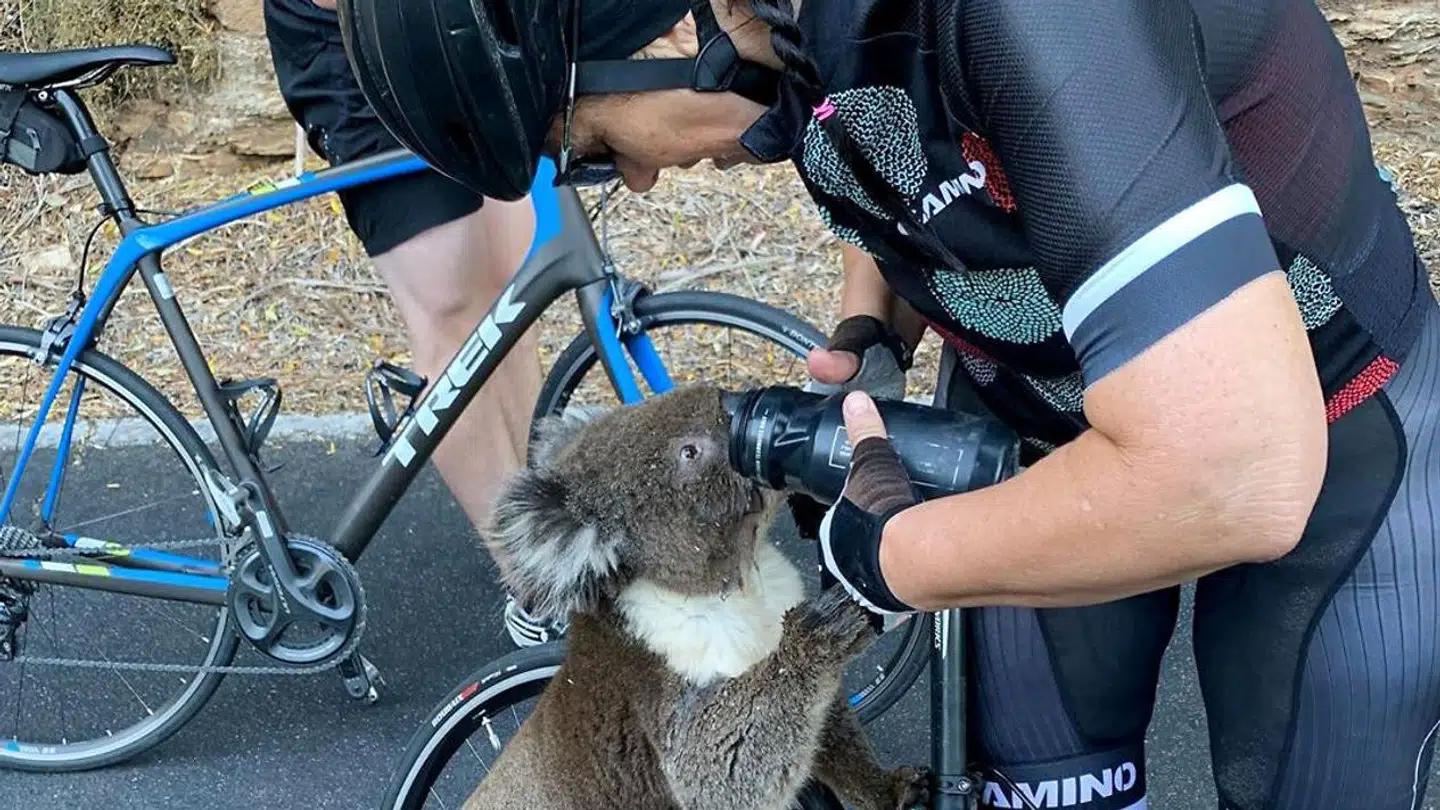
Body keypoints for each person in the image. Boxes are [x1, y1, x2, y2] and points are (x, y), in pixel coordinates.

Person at [339, 0, 1440, 807]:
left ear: (674, 30)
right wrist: (876, 326)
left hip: (1340, 422)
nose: (627, 182)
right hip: (1031, 421)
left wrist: (884, 562)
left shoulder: (1037, 17)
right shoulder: (791, 30)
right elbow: (908, 146)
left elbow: (1234, 470)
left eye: (586, 150)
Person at [262, 0, 569, 648]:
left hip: (457, 22)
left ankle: (537, 527)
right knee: (449, 308)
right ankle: (535, 588)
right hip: (356, 34)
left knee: (513, 289)